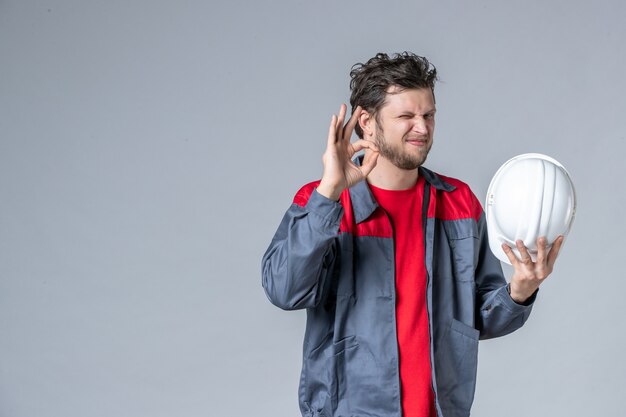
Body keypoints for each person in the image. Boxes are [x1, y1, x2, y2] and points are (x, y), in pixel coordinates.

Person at [261, 52, 562, 417]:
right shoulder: (323, 202)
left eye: (428, 115)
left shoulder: (459, 204)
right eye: (406, 116)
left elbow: (474, 320)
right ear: (367, 123)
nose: (422, 127)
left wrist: (520, 291)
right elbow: (285, 290)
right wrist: (329, 193)